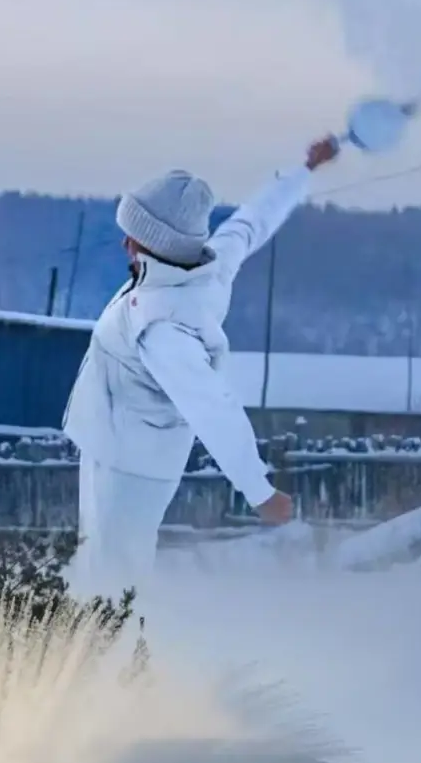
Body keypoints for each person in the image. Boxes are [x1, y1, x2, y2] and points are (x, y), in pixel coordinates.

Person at [63, 136, 340, 597]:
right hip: (111, 447)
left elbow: (214, 407)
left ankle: (116, 664)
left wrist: (259, 490)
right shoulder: (201, 267)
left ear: (153, 243)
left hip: (130, 468)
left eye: (131, 233)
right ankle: (94, 657)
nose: (124, 242)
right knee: (97, 572)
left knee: (113, 584)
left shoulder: (163, 324)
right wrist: (302, 171)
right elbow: (252, 222)